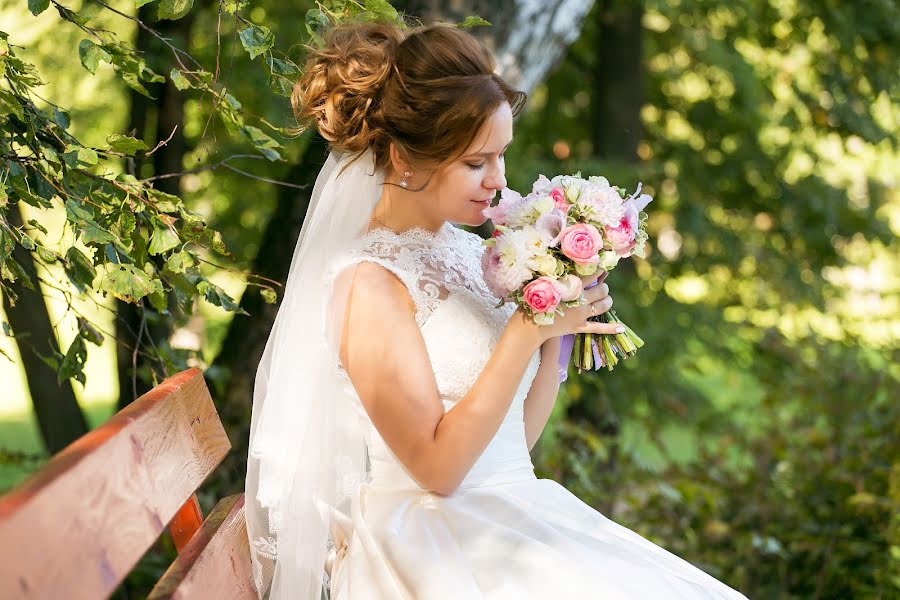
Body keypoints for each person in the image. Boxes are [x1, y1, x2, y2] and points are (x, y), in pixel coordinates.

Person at [245, 21, 748, 600]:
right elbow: (438, 470)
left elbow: (516, 442)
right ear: (407, 159)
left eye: (501, 156)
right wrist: (525, 330)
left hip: (508, 507)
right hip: (431, 538)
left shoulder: (467, 252)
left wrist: (560, 326)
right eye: (476, 162)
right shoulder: (372, 284)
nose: (499, 181)